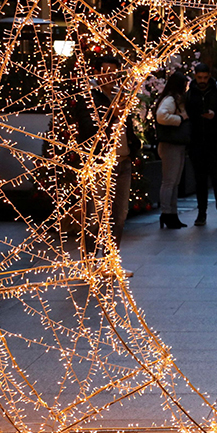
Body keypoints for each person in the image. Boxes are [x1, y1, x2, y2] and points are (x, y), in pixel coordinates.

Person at [72, 56, 141, 277]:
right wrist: (114, 114)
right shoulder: (89, 99)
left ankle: (111, 261)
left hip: (123, 162)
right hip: (100, 165)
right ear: (97, 74)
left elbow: (127, 127)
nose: (110, 77)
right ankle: (90, 262)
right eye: (105, 72)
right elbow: (88, 130)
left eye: (114, 72)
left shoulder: (121, 97)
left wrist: (133, 146)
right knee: (96, 214)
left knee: (119, 216)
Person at [185, 63, 217, 227]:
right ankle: (202, 214)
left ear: (209, 76)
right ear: (195, 76)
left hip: (216, 142)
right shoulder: (190, 94)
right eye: (200, 78)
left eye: (205, 78)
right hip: (197, 143)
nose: (202, 81)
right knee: (200, 181)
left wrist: (216, 116)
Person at [155, 72, 190, 229]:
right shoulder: (171, 99)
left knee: (173, 182)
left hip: (174, 144)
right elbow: (161, 116)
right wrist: (180, 119)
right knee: (170, 181)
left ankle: (171, 214)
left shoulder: (172, 98)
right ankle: (167, 213)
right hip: (171, 144)